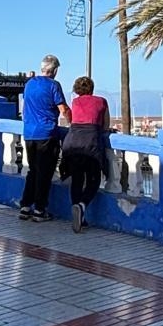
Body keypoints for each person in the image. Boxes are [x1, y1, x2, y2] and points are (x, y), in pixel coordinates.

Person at [19, 54, 71, 221]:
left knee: (33, 170)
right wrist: (73, 123)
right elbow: (63, 109)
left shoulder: (29, 84)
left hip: (29, 133)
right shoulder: (53, 85)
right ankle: (40, 210)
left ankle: (26, 206)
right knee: (45, 172)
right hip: (46, 133)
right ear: (54, 70)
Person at [60, 75, 110, 232]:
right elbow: (105, 125)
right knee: (93, 180)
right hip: (91, 144)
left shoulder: (75, 102)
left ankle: (79, 213)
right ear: (92, 88)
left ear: (77, 90)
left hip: (73, 142)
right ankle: (82, 205)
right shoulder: (101, 101)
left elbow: (72, 120)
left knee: (77, 179)